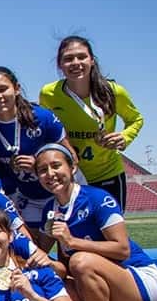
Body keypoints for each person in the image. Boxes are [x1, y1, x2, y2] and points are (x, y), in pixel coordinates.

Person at [35, 144, 157, 301]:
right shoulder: (50, 209)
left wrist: (72, 241)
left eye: (56, 166)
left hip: (140, 280)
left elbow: (122, 249)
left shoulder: (96, 197)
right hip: (109, 281)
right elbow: (46, 256)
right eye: (42, 170)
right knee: (62, 289)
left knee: (81, 262)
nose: (50, 174)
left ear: (72, 167)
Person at [0, 66, 77, 249]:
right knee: (33, 249)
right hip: (26, 196)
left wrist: (40, 165)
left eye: (3, 89)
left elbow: (72, 158)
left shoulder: (42, 117)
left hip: (59, 193)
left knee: (69, 250)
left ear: (16, 88)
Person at [39, 36, 144, 208]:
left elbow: (135, 119)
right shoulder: (49, 94)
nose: (75, 63)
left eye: (81, 57)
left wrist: (125, 137)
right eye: (68, 59)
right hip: (71, 176)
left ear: (92, 60)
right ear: (59, 64)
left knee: (111, 232)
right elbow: (47, 129)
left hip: (108, 173)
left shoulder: (113, 91)